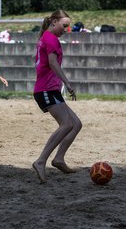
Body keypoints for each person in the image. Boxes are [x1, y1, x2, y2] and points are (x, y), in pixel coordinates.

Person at [32, 10, 82, 183]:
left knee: (76, 124)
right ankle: (40, 161)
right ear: (54, 21)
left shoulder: (46, 37)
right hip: (46, 90)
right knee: (67, 124)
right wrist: (67, 83)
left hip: (49, 89)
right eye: (64, 25)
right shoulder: (51, 39)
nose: (66, 29)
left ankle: (58, 159)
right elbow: (52, 63)